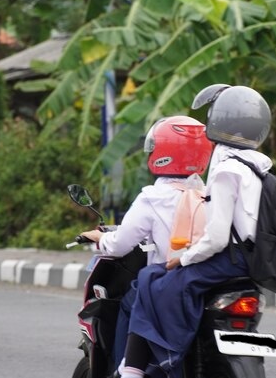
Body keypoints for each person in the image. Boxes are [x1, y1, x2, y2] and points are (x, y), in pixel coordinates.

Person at [119, 85, 273, 378]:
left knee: (151, 278)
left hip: (229, 259)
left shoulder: (225, 170)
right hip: (254, 261)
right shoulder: (259, 166)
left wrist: (185, 258)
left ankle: (147, 365)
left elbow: (215, 239)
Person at [79, 115, 214, 372]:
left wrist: (100, 238)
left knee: (132, 297)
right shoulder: (209, 192)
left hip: (167, 281)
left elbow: (119, 244)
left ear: (162, 153)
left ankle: (126, 367)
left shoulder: (153, 197)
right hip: (206, 279)